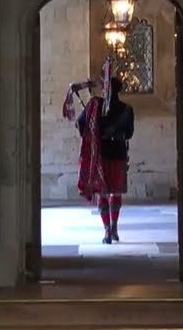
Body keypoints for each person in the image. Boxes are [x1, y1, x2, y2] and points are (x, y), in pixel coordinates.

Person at [75, 76, 136, 244]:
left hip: (101, 153)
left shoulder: (95, 106)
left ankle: (107, 230)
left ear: (106, 89)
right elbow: (129, 133)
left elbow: (80, 124)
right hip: (118, 153)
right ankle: (114, 228)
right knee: (115, 191)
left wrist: (90, 135)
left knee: (102, 192)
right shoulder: (127, 109)